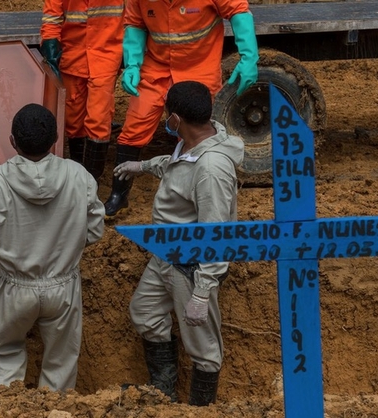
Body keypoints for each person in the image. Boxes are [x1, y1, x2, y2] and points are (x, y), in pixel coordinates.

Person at [114, 81, 244, 405]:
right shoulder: (192, 140)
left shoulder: (212, 169)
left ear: (176, 118)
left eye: (167, 115)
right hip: (165, 255)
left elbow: (217, 234)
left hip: (190, 265)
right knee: (144, 312)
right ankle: (164, 392)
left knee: (204, 348)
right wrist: (142, 166)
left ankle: (201, 409)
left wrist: (202, 292)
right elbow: (177, 167)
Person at [0, 103, 105, 391]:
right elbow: (94, 230)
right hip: (64, 285)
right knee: (62, 360)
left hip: (15, 285)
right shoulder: (79, 176)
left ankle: (7, 409)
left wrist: (4, 251)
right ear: (56, 140)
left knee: (4, 351)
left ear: (12, 142)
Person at [103, 0, 258, 218]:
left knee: (196, 132)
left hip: (199, 65)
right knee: (134, 127)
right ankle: (118, 195)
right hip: (156, 67)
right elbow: (135, 23)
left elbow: (238, 11)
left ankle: (199, 190)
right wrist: (132, 64)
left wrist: (248, 55)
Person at [40, 0, 123, 180]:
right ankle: (77, 173)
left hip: (106, 54)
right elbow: (52, 16)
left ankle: (92, 181)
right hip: (72, 55)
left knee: (98, 119)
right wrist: (50, 44)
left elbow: (133, 15)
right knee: (73, 119)